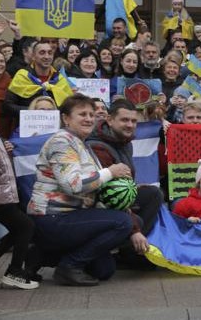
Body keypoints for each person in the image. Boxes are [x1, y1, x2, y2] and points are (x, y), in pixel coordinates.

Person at [27, 95, 134, 286]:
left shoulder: (80, 142)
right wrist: (110, 172)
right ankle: (69, 266)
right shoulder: (62, 141)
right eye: (82, 114)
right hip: (52, 217)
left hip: (71, 215)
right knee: (123, 223)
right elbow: (73, 185)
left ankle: (43, 254)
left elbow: (91, 187)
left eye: (92, 114)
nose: (89, 119)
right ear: (66, 118)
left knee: (104, 270)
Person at [85, 99, 164, 262]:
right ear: (109, 120)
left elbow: (122, 185)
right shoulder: (98, 146)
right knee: (138, 221)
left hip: (113, 200)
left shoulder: (125, 142)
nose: (130, 125)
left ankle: (131, 251)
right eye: (124, 120)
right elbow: (108, 196)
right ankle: (130, 249)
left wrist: (134, 187)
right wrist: (135, 229)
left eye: (134, 121)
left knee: (153, 194)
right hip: (96, 205)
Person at [0, 131, 37, 289]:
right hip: (1, 193)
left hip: (3, 192)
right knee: (26, 226)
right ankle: (14, 272)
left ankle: (14, 271)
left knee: (18, 230)